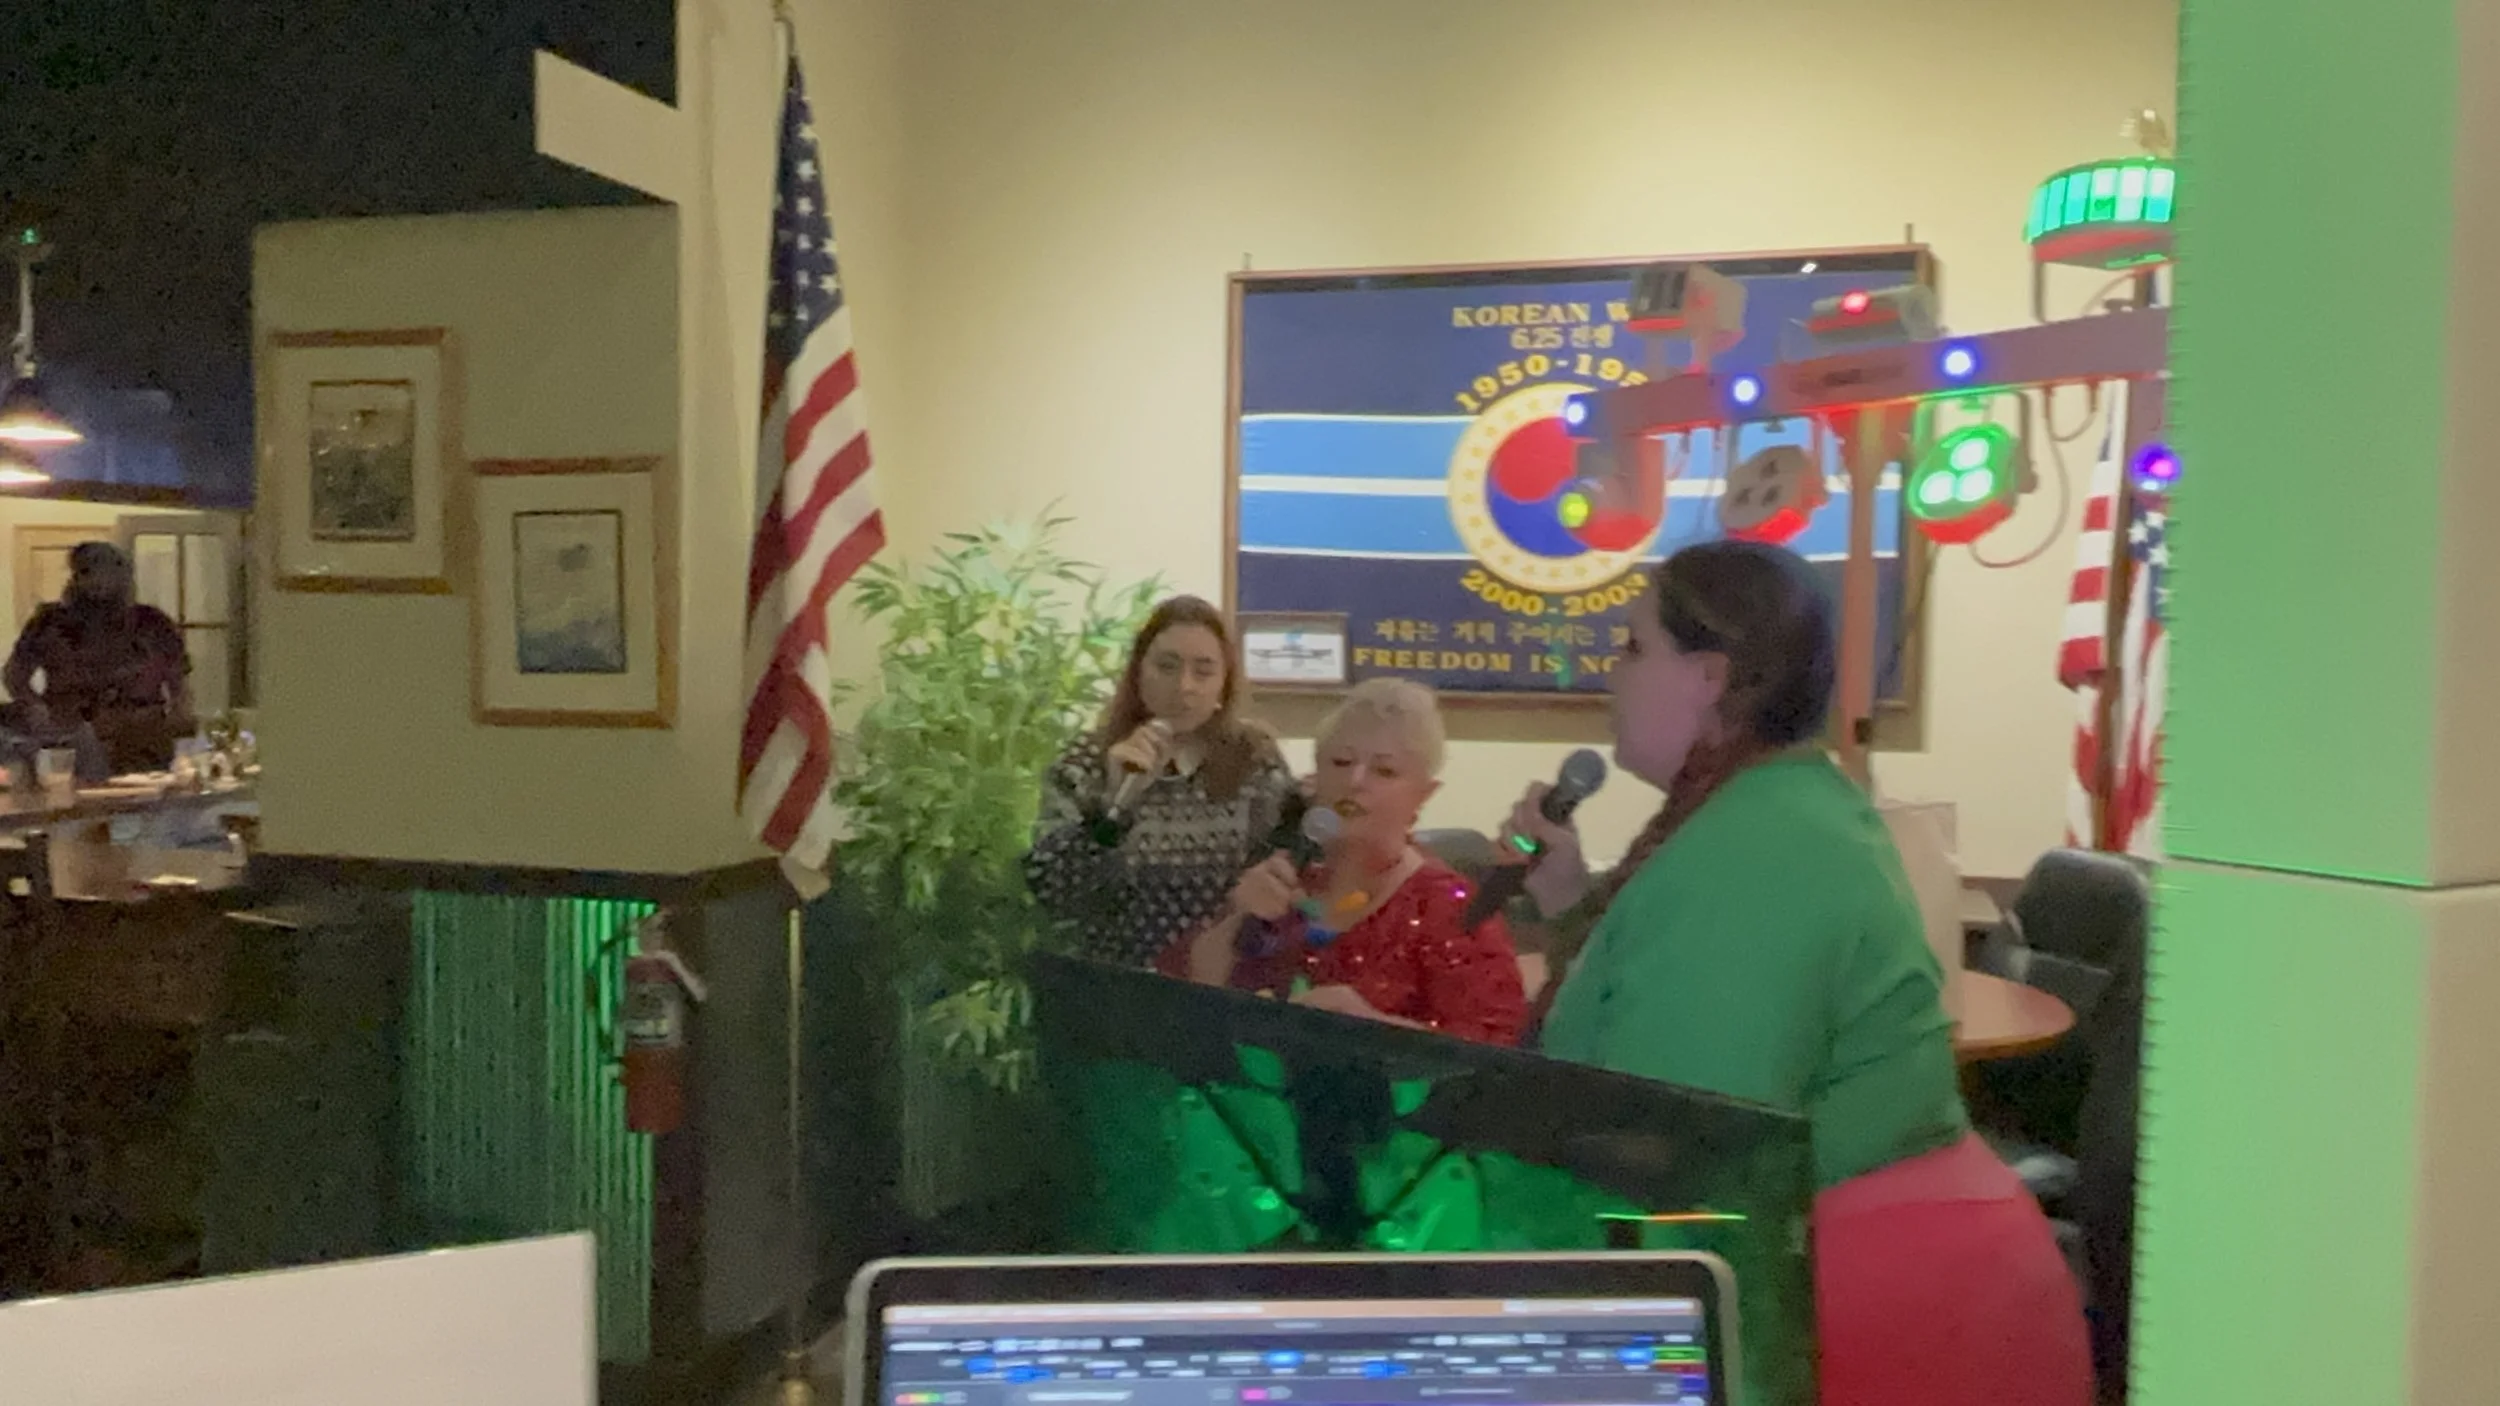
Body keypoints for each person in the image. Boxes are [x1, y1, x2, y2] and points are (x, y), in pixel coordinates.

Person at [1501, 540, 2091, 1406]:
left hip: (1880, 1316)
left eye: (1632, 648)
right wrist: (1564, 904)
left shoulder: (1759, 847)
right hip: (1860, 1277)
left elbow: (1683, 1150)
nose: (1610, 674)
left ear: (1709, 676)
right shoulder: (1773, 803)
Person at [1164, 678, 1525, 1046]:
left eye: (1384, 771)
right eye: (1341, 762)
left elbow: (1496, 1054)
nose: (1355, 781)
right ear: (1315, 775)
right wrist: (1236, 918)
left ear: (1424, 794)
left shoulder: (1453, 910)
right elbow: (1180, 1005)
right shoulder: (1282, 878)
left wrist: (1371, 1029)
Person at [1026, 596, 1297, 967]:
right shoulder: (1086, 762)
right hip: (1117, 987)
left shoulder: (1255, 761)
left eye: (1203, 672)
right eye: (1167, 667)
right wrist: (1114, 806)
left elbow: (1288, 869)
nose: (1184, 686)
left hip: (1223, 986)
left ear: (1224, 684)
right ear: (1139, 673)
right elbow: (1053, 893)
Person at [3, 541, 191, 774]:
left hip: (141, 741)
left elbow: (179, 685)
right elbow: (14, 676)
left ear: (123, 576)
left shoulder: (152, 623)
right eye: (88, 571)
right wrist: (36, 708)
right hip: (72, 737)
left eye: (107, 570)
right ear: (76, 576)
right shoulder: (49, 622)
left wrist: (178, 725)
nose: (98, 580)